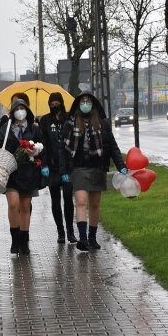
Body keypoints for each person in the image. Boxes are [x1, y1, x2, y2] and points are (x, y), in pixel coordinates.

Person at [60, 92, 127, 252]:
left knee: (95, 204)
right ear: (78, 104)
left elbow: (112, 146)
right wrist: (63, 169)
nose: (85, 104)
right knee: (81, 201)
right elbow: (62, 149)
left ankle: (92, 237)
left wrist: (121, 166)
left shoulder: (102, 123)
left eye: (88, 101)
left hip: (97, 167)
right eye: (82, 101)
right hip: (78, 168)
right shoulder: (70, 123)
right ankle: (82, 239)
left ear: (93, 104)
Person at [0, 98, 43, 255]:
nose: (20, 111)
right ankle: (15, 238)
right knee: (13, 204)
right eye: (17, 108)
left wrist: (35, 152)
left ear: (27, 110)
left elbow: (43, 148)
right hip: (11, 173)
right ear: (13, 111)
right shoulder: (6, 128)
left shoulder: (34, 129)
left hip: (28, 173)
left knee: (25, 206)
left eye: (23, 108)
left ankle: (24, 240)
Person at [39, 92, 77, 244]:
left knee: (68, 198)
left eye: (57, 103)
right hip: (53, 167)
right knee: (55, 200)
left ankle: (70, 232)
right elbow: (43, 144)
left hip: (68, 167)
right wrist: (44, 164)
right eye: (52, 103)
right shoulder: (45, 120)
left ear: (62, 103)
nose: (55, 106)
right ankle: (60, 232)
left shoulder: (70, 118)